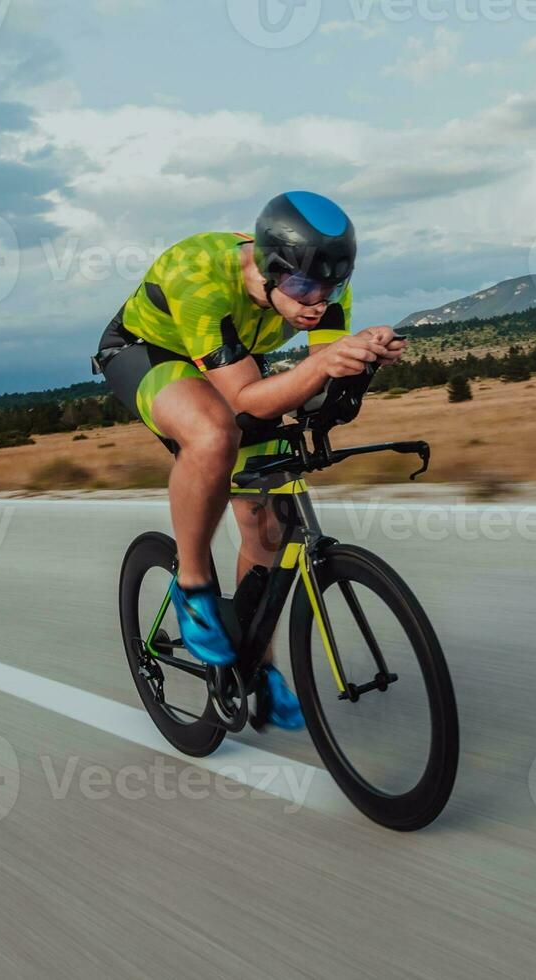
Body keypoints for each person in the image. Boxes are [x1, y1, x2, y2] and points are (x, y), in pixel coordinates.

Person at [92, 191, 406, 730]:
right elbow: (243, 402)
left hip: (233, 357)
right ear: (267, 268)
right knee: (214, 436)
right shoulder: (201, 274)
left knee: (266, 517)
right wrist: (324, 361)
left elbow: (317, 397)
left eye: (331, 287)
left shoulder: (324, 290)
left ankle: (257, 666)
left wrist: (357, 361)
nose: (318, 302)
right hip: (148, 349)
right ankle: (192, 587)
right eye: (303, 286)